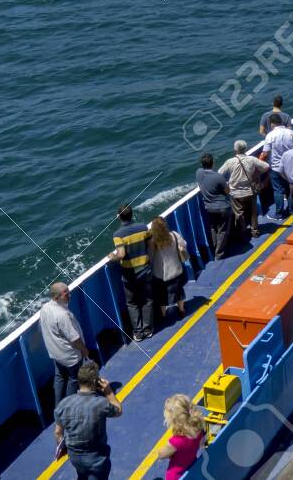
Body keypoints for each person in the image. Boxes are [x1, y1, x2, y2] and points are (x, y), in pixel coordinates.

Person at [54, 360, 121, 479]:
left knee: (82, 475)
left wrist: (62, 446)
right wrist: (109, 392)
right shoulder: (101, 404)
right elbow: (118, 411)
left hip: (74, 456)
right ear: (95, 382)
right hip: (96, 458)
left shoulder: (63, 404)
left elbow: (58, 433)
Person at [109, 205, 153, 341]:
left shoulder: (117, 235)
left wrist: (112, 257)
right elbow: (151, 244)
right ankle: (148, 330)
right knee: (147, 300)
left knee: (132, 303)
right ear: (132, 214)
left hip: (129, 273)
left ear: (119, 217)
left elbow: (121, 254)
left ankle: (138, 333)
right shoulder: (143, 228)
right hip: (145, 269)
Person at [40, 282, 88, 407]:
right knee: (73, 379)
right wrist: (84, 349)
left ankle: (58, 405)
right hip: (70, 356)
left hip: (56, 353)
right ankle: (68, 406)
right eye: (66, 295)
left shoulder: (45, 308)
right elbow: (74, 338)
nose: (69, 296)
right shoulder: (62, 315)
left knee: (59, 377)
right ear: (56, 297)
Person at [220, 140, 268, 239]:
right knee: (253, 213)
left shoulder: (230, 162)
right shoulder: (251, 159)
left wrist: (227, 184)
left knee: (239, 214)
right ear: (245, 148)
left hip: (236, 193)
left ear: (235, 150)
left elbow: (219, 173)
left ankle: (243, 234)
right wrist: (256, 174)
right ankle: (255, 231)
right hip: (250, 191)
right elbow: (266, 167)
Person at [148, 216, 188, 321]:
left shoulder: (153, 242)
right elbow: (184, 245)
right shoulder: (174, 235)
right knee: (179, 292)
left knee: (162, 296)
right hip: (176, 271)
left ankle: (163, 315)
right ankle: (181, 310)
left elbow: (150, 257)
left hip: (161, 275)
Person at [157, 394, 205, 480]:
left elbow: (161, 454)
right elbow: (201, 443)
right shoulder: (199, 429)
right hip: (192, 467)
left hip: (176, 477)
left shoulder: (176, 442)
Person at [196, 153, 232, 259]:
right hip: (222, 208)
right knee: (223, 230)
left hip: (209, 207)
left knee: (214, 228)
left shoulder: (198, 173)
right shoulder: (218, 177)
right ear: (213, 163)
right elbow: (227, 191)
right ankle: (219, 253)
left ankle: (215, 248)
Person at [263, 114, 293, 220]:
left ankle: (279, 214)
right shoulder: (291, 133)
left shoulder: (270, 136)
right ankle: (292, 210)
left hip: (276, 167)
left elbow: (265, 153)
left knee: (278, 190)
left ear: (272, 124)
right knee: (290, 188)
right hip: (290, 166)